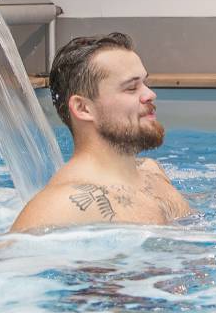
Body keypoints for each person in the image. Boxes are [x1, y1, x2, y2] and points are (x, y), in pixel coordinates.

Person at [11, 33, 192, 231]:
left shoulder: (151, 171)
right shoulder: (59, 207)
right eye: (132, 88)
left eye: (145, 83)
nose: (150, 94)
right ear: (83, 108)